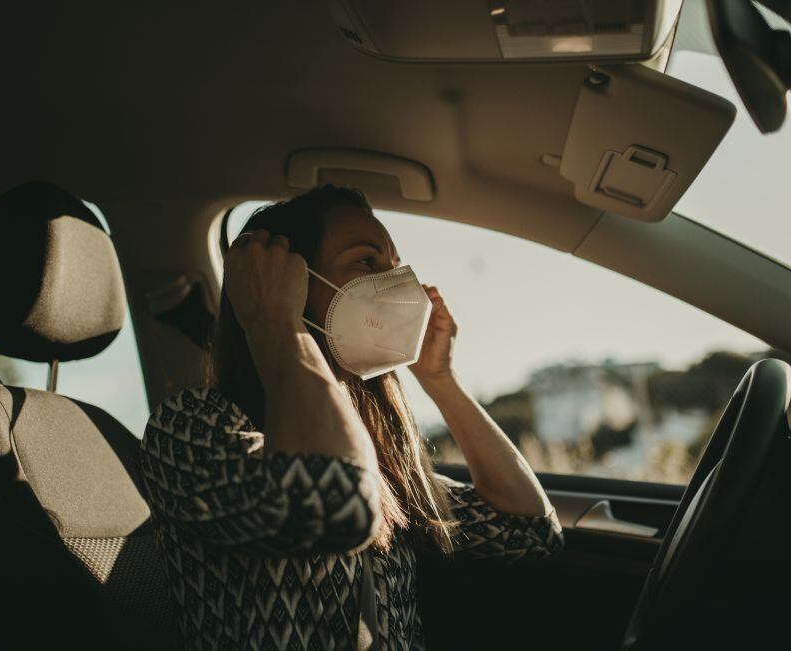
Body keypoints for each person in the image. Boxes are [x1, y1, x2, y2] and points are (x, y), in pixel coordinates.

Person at [140, 185, 563, 650]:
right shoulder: (191, 426)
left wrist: (439, 377)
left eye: (396, 264)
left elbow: (530, 532)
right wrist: (274, 323)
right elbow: (333, 502)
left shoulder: (373, 448)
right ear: (288, 283)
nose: (402, 284)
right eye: (366, 262)